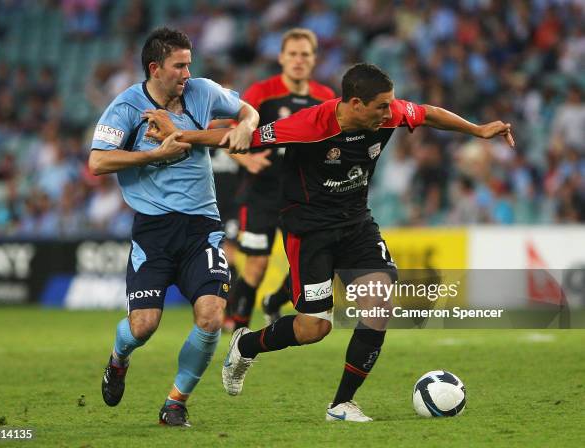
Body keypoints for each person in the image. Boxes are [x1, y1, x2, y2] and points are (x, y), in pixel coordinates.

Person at [143, 63, 514, 422]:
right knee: (314, 328)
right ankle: (245, 345)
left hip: (356, 224)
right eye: (381, 106)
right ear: (355, 104)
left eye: (392, 104)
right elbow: (245, 139)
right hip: (309, 231)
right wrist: (180, 134)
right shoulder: (311, 124)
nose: (390, 113)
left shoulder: (390, 112)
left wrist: (478, 130)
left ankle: (342, 404)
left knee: (379, 305)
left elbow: (429, 113)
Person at [89, 28, 259, 427]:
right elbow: (97, 162)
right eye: (179, 65)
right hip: (153, 230)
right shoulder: (126, 107)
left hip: (203, 225)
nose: (188, 72)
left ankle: (175, 402)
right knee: (143, 327)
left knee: (212, 316)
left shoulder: (202, 91)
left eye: (189, 63)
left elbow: (247, 111)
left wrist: (247, 125)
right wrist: (152, 156)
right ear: (155, 68)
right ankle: (118, 360)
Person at [227, 28, 335, 330]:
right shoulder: (262, 92)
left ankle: (275, 301)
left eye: (305, 54)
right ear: (281, 58)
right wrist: (247, 159)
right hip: (262, 193)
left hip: (304, 196)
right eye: (293, 54)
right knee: (257, 265)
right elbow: (233, 134)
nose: (298, 60)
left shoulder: (325, 97)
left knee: (310, 265)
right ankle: (239, 334)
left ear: (314, 59)